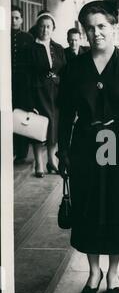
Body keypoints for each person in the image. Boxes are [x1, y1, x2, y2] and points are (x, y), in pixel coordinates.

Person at [57, 0, 119, 293]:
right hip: (84, 151)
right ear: (83, 31)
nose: (96, 33)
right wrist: (62, 152)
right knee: (89, 210)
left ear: (114, 28)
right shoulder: (75, 68)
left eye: (102, 26)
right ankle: (93, 272)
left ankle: (113, 273)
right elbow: (65, 113)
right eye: (90, 28)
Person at [29, 12, 66, 177]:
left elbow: (64, 70)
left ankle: (52, 160)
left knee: (54, 127)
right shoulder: (30, 48)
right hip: (38, 93)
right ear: (37, 28)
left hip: (56, 94)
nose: (45, 29)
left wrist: (57, 78)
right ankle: (39, 163)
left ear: (53, 29)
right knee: (38, 127)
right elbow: (26, 76)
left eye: (48, 26)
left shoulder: (58, 48)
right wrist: (29, 103)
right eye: (42, 26)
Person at [11, 5, 34, 163]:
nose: (13, 21)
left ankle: (21, 153)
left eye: (16, 18)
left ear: (22, 19)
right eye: (11, 18)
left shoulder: (28, 38)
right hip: (6, 82)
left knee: (20, 116)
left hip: (23, 84)